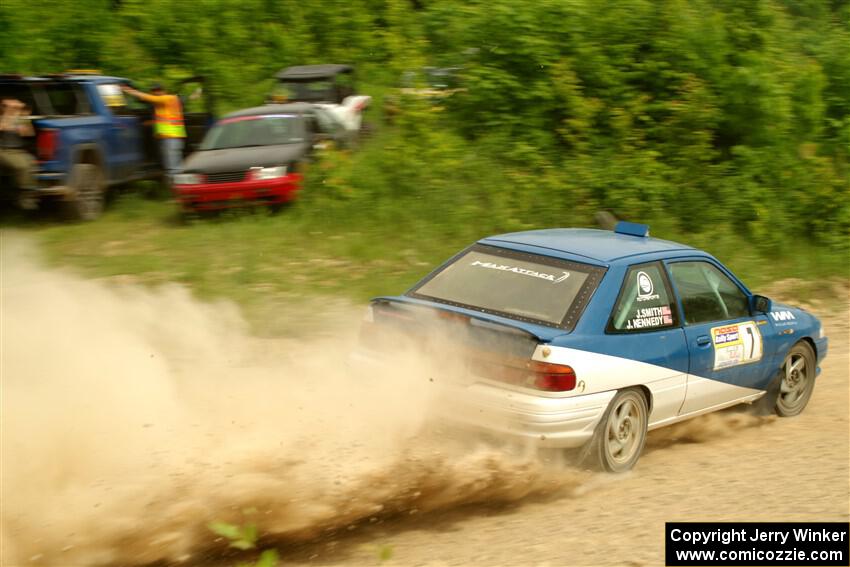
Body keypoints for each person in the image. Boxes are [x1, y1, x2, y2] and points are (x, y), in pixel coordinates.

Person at [121, 82, 186, 182]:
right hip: (167, 138)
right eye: (154, 91)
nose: (156, 93)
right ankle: (177, 190)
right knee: (171, 166)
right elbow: (164, 118)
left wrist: (128, 90)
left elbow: (148, 98)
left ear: (164, 91)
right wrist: (150, 122)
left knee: (174, 169)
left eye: (158, 90)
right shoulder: (160, 105)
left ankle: (178, 191)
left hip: (172, 138)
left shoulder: (169, 98)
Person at [0, 98, 35, 190]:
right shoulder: (3, 118)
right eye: (6, 106)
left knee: (31, 162)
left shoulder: (19, 118)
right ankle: (25, 193)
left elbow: (27, 133)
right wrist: (8, 113)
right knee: (21, 165)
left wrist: (22, 116)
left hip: (17, 151)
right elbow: (2, 127)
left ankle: (24, 190)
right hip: (4, 150)